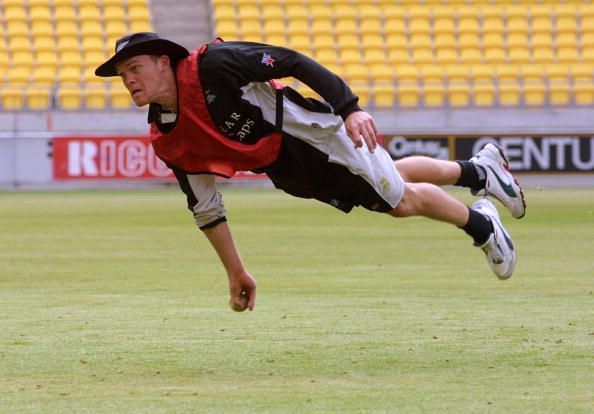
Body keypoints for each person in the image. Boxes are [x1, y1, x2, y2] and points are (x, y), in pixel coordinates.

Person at [96, 32, 526, 312]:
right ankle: (478, 171)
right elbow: (207, 209)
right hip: (287, 169)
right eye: (122, 76)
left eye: (134, 69)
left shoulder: (214, 65)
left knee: (397, 201)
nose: (129, 81)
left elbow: (292, 61)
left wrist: (350, 109)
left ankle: (482, 225)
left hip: (318, 138)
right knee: (386, 179)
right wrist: (236, 271)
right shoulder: (167, 139)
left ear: (163, 62)